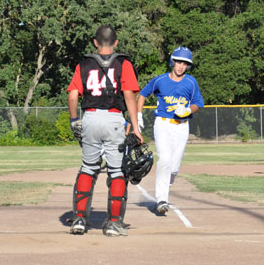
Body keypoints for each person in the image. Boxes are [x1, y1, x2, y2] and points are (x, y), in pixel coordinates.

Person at [66, 25, 143, 237]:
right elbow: (129, 96)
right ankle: (113, 223)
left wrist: (74, 121)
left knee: (88, 168)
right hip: (113, 119)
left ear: (95, 42)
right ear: (116, 42)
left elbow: (72, 96)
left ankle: (79, 219)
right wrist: (135, 127)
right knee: (117, 171)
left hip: (90, 118)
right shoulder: (124, 63)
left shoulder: (84, 63)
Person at [136, 46, 204, 215]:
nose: (181, 66)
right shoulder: (160, 80)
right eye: (178, 62)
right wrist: (138, 115)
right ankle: (162, 199)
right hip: (163, 124)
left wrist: (188, 110)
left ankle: (165, 188)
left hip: (182, 126)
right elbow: (143, 94)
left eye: (185, 63)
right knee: (165, 159)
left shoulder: (191, 82)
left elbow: (198, 103)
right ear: (172, 62)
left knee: (173, 168)